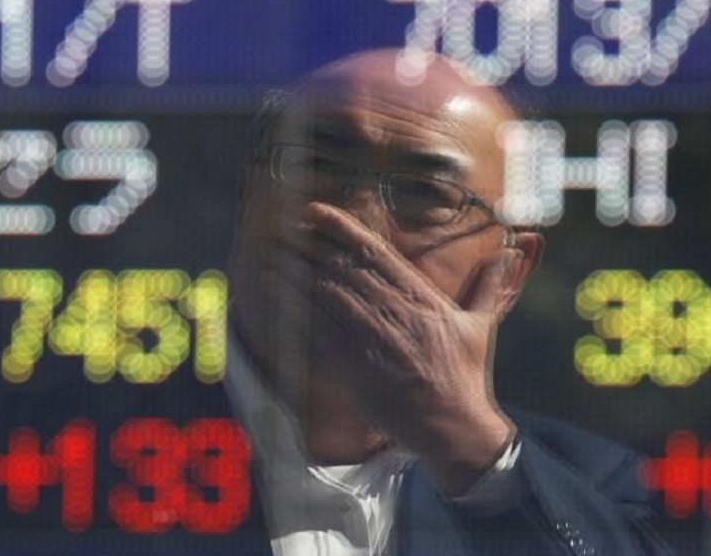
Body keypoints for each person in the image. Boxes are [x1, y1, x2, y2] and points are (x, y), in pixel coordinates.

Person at [226, 48, 672, 556]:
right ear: (246, 195)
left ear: (509, 271)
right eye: (317, 164)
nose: (353, 220)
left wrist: (473, 453)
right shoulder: (125, 442)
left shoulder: (596, 484)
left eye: (425, 192)